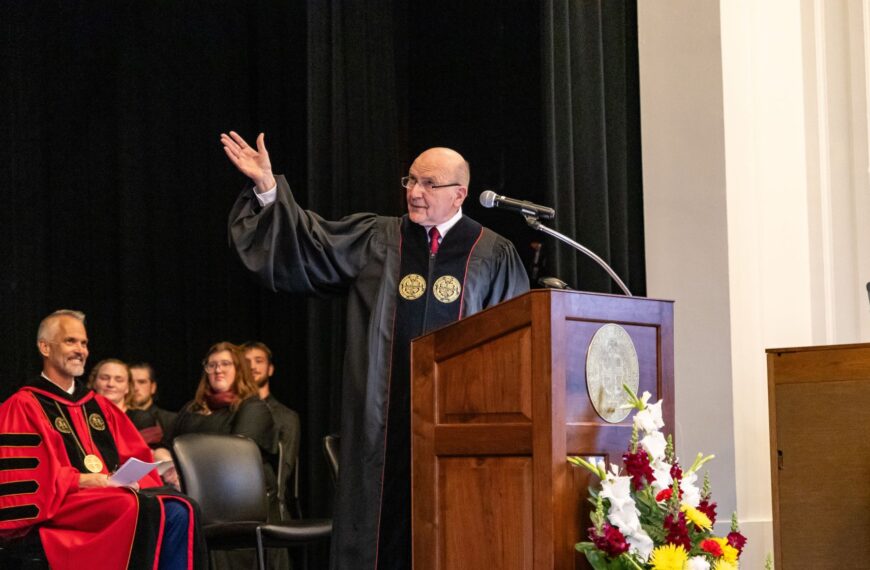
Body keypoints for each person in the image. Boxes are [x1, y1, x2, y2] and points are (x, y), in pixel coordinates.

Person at [222, 131, 530, 569]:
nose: (415, 193)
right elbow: (308, 243)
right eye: (411, 181)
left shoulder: (494, 254)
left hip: (460, 426)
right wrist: (268, 189)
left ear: (460, 194)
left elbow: (512, 343)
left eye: (429, 185)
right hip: (380, 422)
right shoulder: (378, 238)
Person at [0, 310, 206, 570]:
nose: (80, 350)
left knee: (182, 507)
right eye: (70, 341)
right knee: (134, 506)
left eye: (84, 343)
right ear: (44, 347)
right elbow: (24, 482)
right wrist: (82, 480)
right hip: (63, 503)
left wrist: (131, 478)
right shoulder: (22, 405)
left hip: (108, 495)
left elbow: (137, 455)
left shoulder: (98, 406)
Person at [172, 341, 285, 569]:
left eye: (225, 364)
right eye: (211, 365)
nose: (217, 370)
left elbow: (237, 456)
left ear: (239, 369)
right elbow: (170, 443)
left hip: (237, 501)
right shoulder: (191, 409)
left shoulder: (252, 407)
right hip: (193, 496)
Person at [242, 341, 301, 521]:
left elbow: (284, 471)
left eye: (259, 360)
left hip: (268, 508)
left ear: (270, 369)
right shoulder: (230, 412)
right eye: (246, 362)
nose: (252, 366)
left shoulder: (286, 416)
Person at [127, 362, 178, 450]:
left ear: (153, 387)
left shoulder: (171, 420)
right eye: (130, 382)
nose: (135, 388)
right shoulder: (116, 418)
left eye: (142, 382)